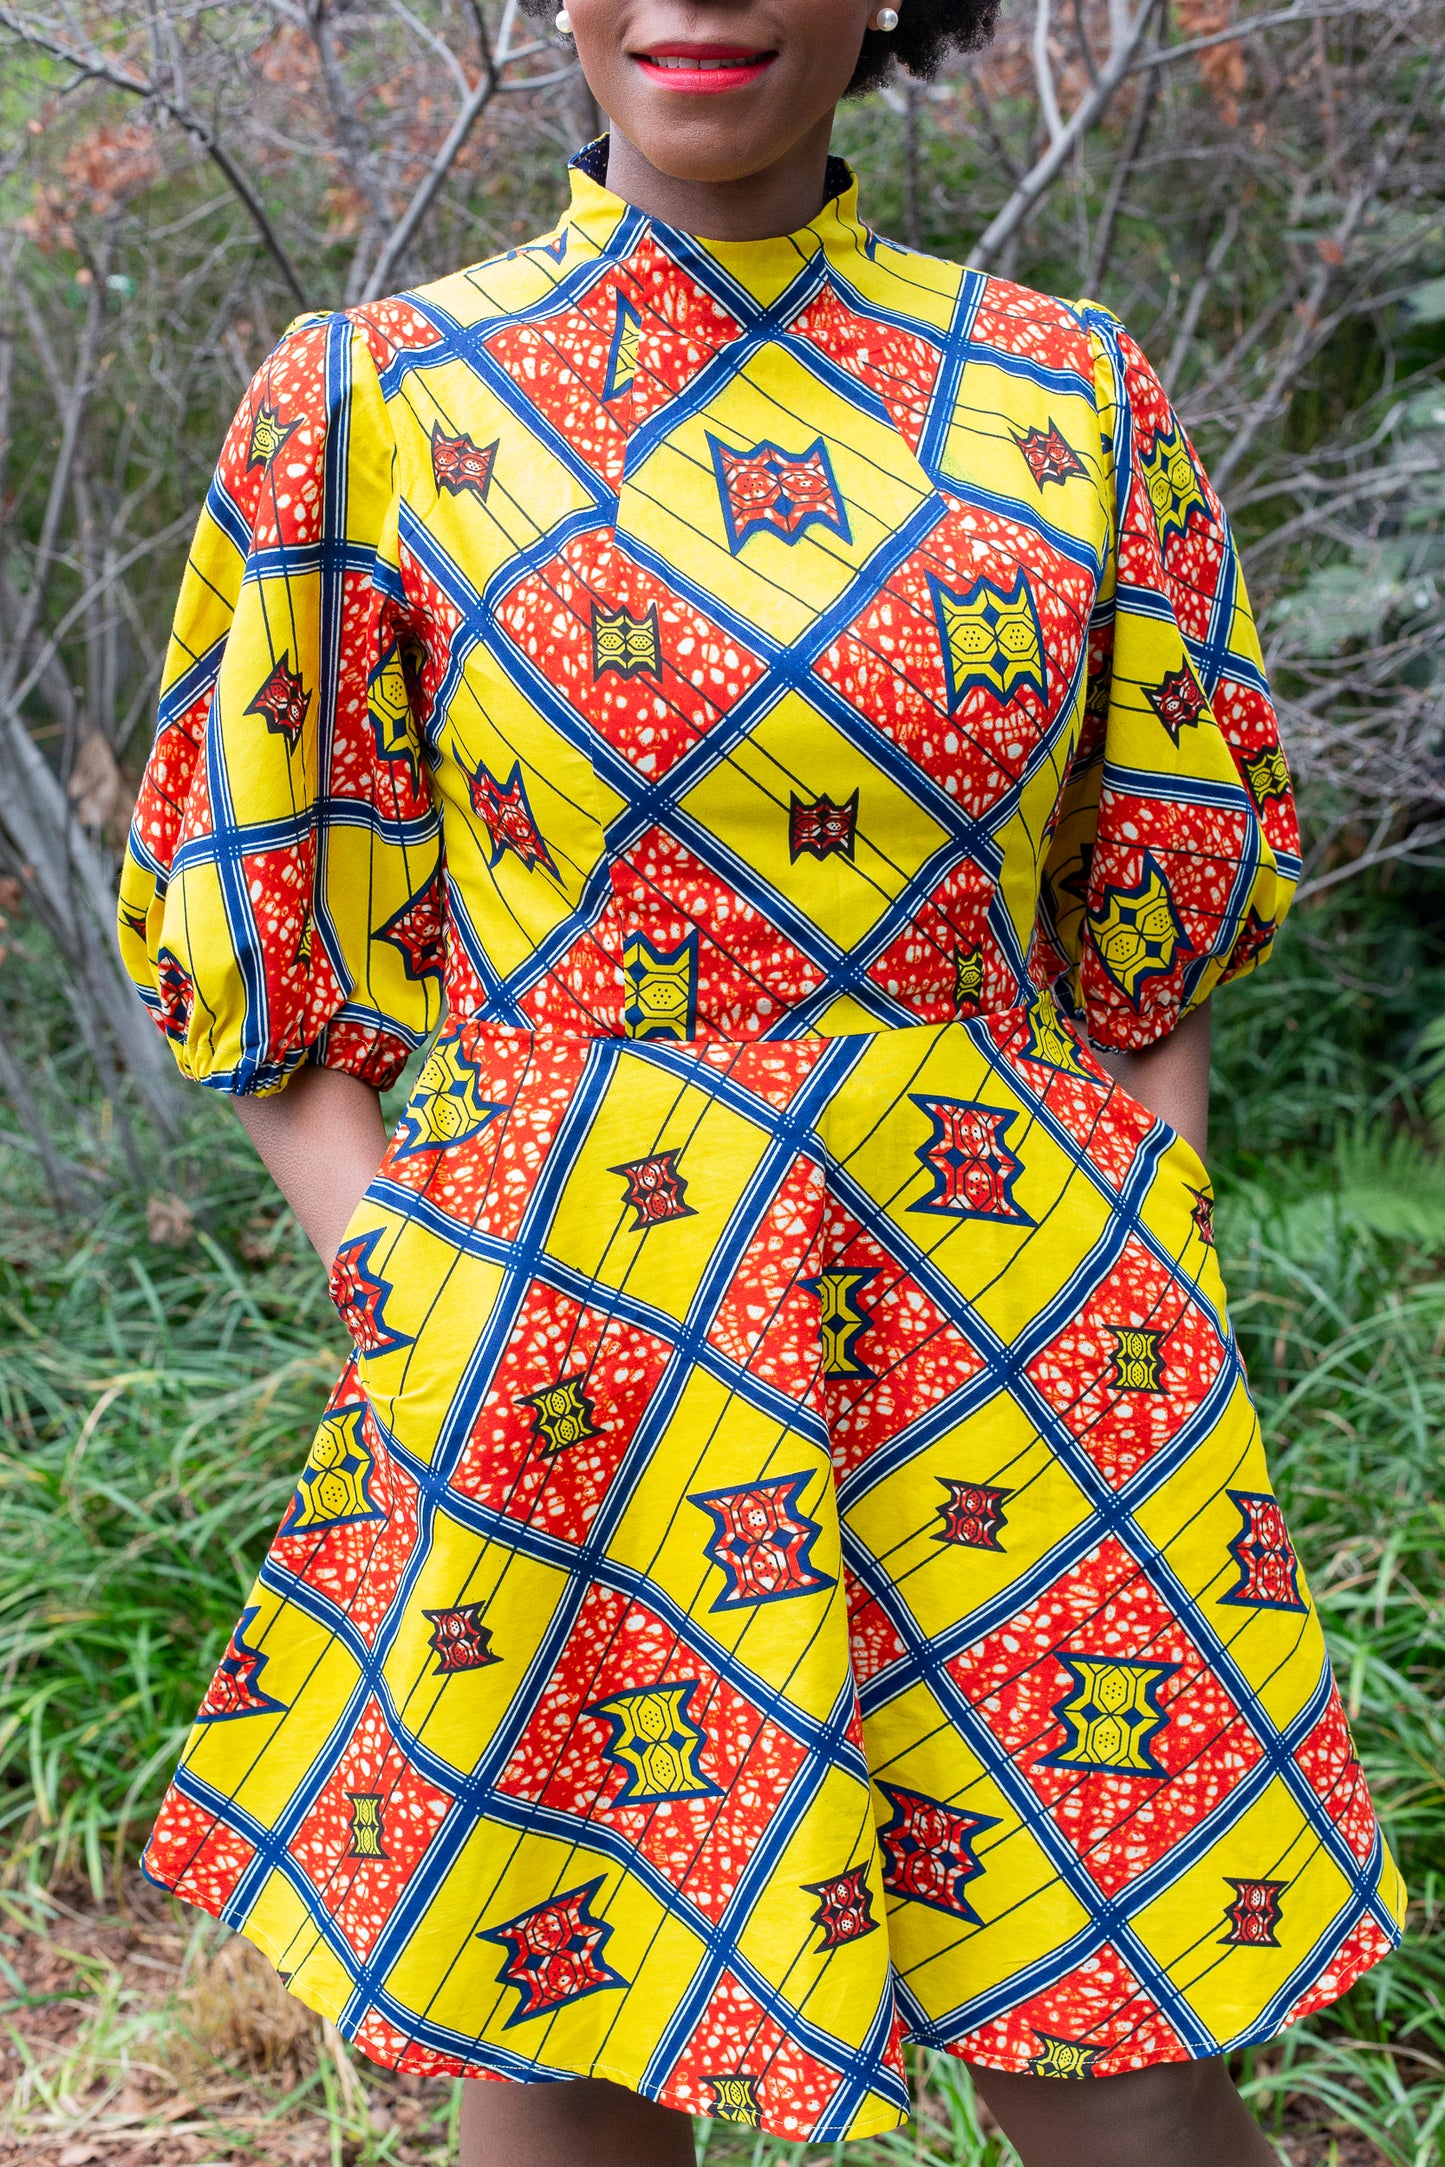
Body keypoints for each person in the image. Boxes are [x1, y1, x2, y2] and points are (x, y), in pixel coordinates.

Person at [117, 4, 1406, 2162]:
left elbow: (1151, 930)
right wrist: (424, 1310)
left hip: (1036, 1367)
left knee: (1147, 2114)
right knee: (574, 2094)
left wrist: (1145, 1287)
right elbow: (254, 934)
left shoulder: (1066, 396)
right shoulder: (374, 404)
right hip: (571, 1375)